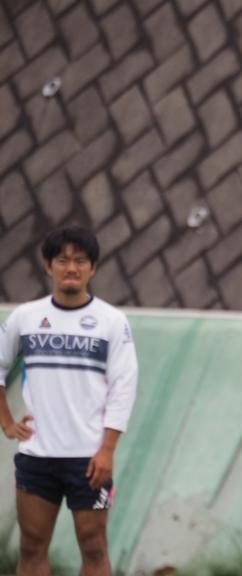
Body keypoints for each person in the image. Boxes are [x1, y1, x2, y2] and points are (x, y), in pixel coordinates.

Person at [0, 226, 138, 576]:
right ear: (48, 266)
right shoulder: (25, 317)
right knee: (31, 546)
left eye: (81, 261)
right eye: (62, 260)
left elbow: (124, 385)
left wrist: (107, 449)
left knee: (94, 548)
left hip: (89, 459)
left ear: (93, 267)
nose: (71, 268)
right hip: (37, 455)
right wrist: (6, 421)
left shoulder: (111, 321)